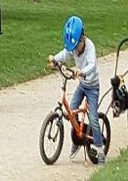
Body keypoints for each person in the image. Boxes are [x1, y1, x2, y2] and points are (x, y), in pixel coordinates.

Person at [48, 16, 104, 166]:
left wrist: (81, 71)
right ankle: (78, 140)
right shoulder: (73, 49)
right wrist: (55, 59)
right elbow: (65, 54)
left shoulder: (90, 47)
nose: (75, 51)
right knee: (71, 112)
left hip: (92, 87)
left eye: (76, 47)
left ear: (82, 38)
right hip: (82, 85)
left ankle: (100, 150)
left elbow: (92, 65)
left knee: (93, 119)